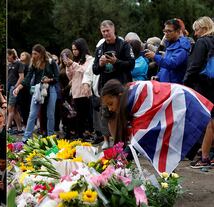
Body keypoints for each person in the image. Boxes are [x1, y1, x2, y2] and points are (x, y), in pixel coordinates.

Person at [101, 79, 213, 173]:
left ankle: (169, 175)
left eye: (110, 104)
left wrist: (123, 160)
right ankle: (169, 174)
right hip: (174, 99)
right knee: (158, 141)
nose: (110, 108)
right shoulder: (130, 94)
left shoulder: (136, 97)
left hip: (179, 100)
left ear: (119, 96)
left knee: (155, 140)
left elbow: (142, 136)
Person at [92, 20, 135, 149]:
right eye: (103, 32)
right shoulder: (100, 49)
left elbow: (131, 64)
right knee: (106, 114)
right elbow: (94, 70)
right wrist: (100, 64)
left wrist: (116, 62)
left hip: (121, 87)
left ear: (113, 30)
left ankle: (127, 143)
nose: (106, 34)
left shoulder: (124, 45)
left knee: (123, 116)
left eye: (108, 31)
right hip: (105, 87)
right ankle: (108, 140)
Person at [184, 16, 214, 167]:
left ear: (203, 28)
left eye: (196, 30)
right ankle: (206, 153)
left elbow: (194, 66)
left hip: (203, 86)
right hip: (212, 85)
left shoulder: (202, 42)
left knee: (207, 121)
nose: (195, 34)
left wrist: (185, 83)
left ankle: (204, 155)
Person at [13, 44, 59, 142]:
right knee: (32, 114)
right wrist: (18, 88)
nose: (33, 55)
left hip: (50, 89)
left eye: (35, 53)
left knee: (50, 114)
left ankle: (50, 137)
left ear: (41, 53)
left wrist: (49, 80)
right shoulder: (33, 64)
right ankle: (26, 138)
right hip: (38, 90)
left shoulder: (51, 62)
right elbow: (27, 78)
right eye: (32, 53)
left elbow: (57, 78)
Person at [144, 19, 191, 83]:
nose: (166, 34)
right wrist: (158, 76)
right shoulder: (170, 44)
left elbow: (172, 63)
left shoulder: (182, 47)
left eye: (169, 31)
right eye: (165, 31)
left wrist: (155, 56)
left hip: (174, 87)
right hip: (166, 85)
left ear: (178, 31)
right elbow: (165, 67)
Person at [66, 38, 94, 139]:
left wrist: (73, 64)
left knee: (86, 115)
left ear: (81, 48)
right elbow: (70, 77)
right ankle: (79, 135)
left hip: (85, 92)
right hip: (76, 91)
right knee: (78, 116)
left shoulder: (89, 59)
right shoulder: (76, 61)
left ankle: (88, 134)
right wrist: (68, 67)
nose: (74, 52)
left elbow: (86, 71)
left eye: (76, 49)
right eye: (73, 50)